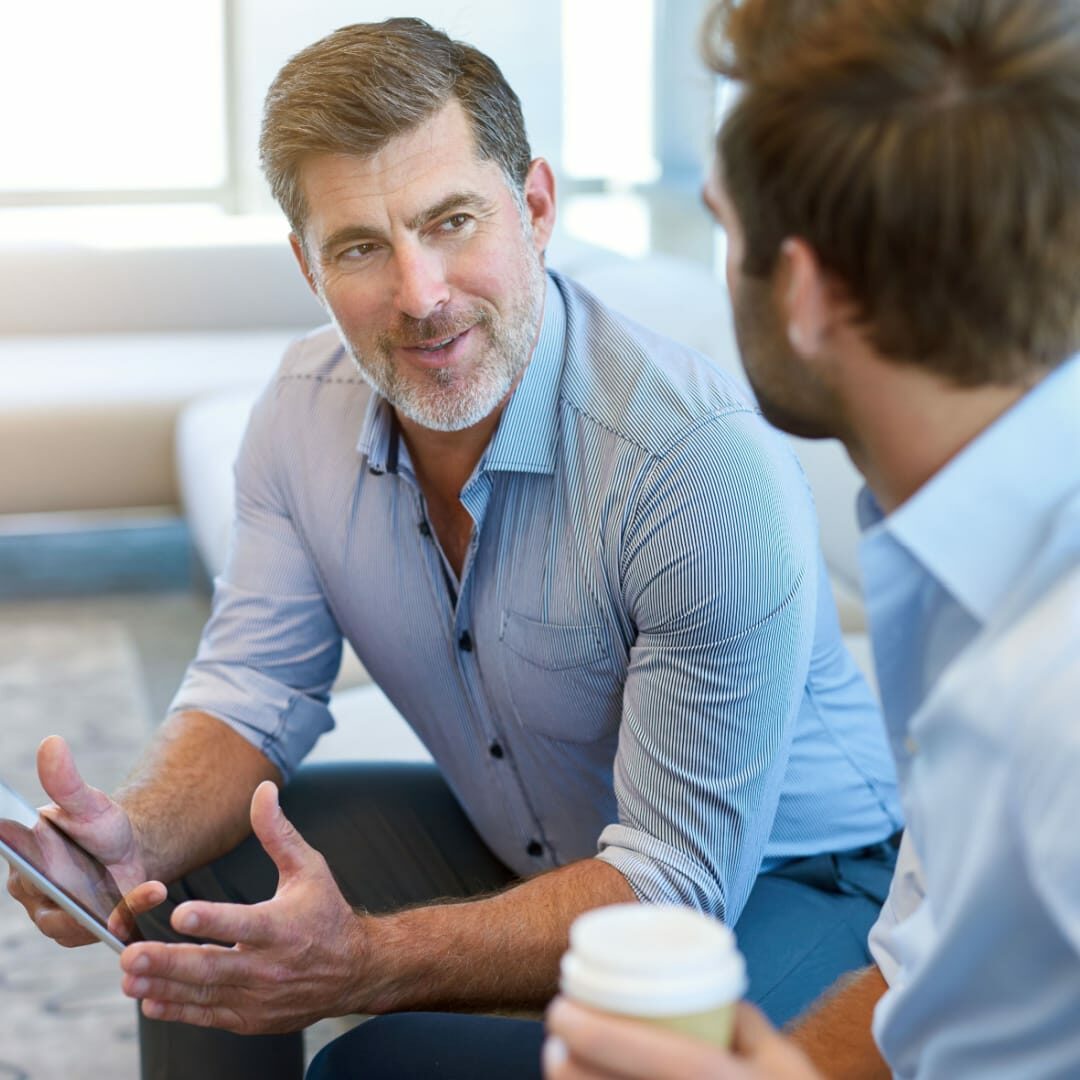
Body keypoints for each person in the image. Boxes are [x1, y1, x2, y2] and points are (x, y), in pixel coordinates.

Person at [4, 18, 902, 1080]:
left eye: (453, 222)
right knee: (191, 900)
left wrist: (368, 963)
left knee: (380, 1067)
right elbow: (248, 690)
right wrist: (138, 836)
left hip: (787, 876)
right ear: (307, 266)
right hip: (532, 835)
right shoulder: (298, 413)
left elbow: (670, 881)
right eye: (360, 247)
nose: (421, 295)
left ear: (535, 208)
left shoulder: (694, 467)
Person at [545, 0, 1080, 1076]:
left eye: (724, 225)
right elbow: (926, 1008)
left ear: (802, 287)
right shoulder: (967, 585)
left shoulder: (1045, 697)